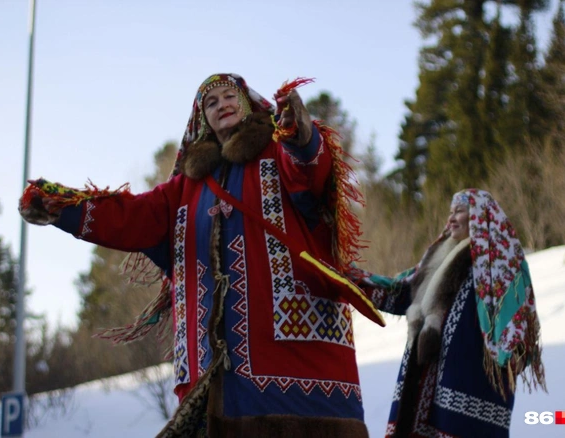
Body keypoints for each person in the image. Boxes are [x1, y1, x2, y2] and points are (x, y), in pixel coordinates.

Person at [19, 73, 384, 437]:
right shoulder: (183, 189)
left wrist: (299, 133)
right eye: (212, 102)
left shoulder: (278, 152)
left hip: (299, 369)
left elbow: (309, 169)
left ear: (247, 104)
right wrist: (61, 207)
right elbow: (128, 217)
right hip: (208, 379)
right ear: (202, 119)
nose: (222, 104)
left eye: (230, 97)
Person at [352, 189, 546, 438]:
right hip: (424, 387)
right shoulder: (437, 261)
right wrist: (354, 279)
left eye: (459, 211)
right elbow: (400, 292)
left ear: (478, 216)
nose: (451, 218)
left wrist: (512, 349)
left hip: (468, 390)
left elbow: (517, 316)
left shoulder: (499, 262)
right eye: (450, 213)